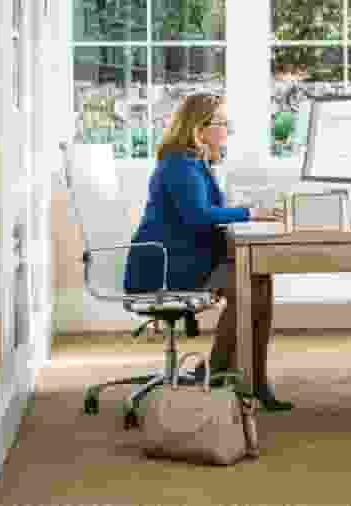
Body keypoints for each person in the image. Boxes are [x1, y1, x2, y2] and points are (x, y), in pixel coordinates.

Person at [124, 92, 293, 411]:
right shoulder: (180, 163)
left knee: (259, 279)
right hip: (166, 266)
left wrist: (242, 211)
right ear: (198, 128)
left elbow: (203, 210)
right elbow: (198, 215)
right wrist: (248, 214)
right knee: (249, 286)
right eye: (222, 123)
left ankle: (252, 379)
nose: (227, 129)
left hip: (182, 257)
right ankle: (220, 373)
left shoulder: (192, 161)